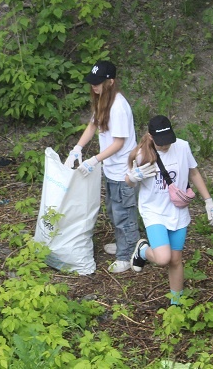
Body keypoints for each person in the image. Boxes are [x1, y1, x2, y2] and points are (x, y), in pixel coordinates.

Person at [126, 115, 213, 306]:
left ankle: (176, 304)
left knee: (175, 260)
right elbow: (127, 181)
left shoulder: (182, 147)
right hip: (154, 211)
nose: (165, 146)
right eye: (161, 143)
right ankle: (143, 251)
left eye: (168, 141)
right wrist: (134, 177)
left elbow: (194, 172)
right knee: (163, 258)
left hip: (177, 210)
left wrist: (209, 201)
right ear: (150, 137)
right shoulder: (141, 154)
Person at [64, 60, 140, 273]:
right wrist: (77, 148)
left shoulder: (119, 107)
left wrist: (94, 159)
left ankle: (127, 255)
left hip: (123, 171)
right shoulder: (102, 101)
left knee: (123, 213)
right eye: (92, 83)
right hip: (111, 170)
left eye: (98, 83)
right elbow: (92, 126)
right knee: (113, 210)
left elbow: (119, 143)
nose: (94, 86)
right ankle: (124, 242)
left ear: (111, 82)